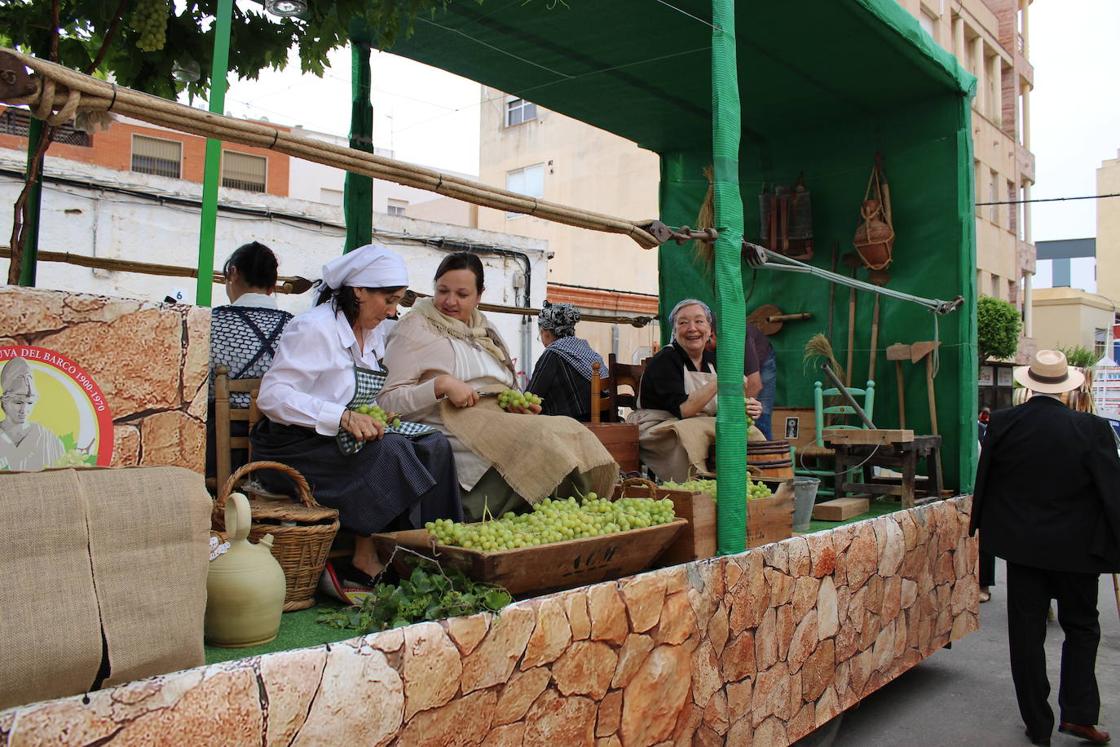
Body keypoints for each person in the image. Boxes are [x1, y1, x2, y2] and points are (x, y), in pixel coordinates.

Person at [251, 244, 464, 583]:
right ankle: (365, 556)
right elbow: (273, 396)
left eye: (397, 302)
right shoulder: (313, 328)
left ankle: (439, 555)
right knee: (391, 451)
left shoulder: (375, 333)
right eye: (389, 300)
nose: (393, 311)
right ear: (360, 291)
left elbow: (363, 396)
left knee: (434, 443)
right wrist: (343, 417)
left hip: (343, 440)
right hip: (296, 448)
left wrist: (377, 415)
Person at [379, 252, 618, 521]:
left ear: (479, 295)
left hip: (499, 416)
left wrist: (517, 402)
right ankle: (544, 514)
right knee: (542, 439)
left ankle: (578, 515)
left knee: (570, 429)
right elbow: (386, 401)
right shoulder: (414, 327)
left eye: (462, 294)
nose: (450, 301)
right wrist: (440, 385)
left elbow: (507, 383)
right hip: (452, 420)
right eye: (443, 290)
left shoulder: (485, 329)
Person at [970, 349, 1120, 747]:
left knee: (1026, 634)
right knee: (1083, 628)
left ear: (1029, 384)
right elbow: (1112, 493)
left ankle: (1037, 724)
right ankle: (1080, 715)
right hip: (1079, 551)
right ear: (1066, 388)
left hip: (1024, 549)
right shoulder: (1093, 429)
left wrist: (986, 531)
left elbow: (986, 483)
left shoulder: (1002, 424)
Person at [630, 298, 762, 482]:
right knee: (693, 434)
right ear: (674, 331)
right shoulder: (665, 361)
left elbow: (723, 406)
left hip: (699, 423)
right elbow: (685, 410)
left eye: (699, 321)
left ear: (709, 330)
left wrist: (747, 407)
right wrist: (721, 380)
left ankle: (748, 481)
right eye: (683, 323)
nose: (692, 328)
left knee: (748, 432)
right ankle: (697, 488)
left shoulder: (712, 360)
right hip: (659, 429)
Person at [207, 242, 294, 479]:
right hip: (281, 447)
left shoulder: (211, 323)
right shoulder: (296, 326)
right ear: (272, 283)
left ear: (233, 273)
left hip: (215, 448)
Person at [525, 301, 607, 421]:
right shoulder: (587, 350)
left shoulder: (553, 354)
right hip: (605, 418)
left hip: (576, 425)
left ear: (546, 333)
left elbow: (531, 396)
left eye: (540, 335)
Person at [0, 357, 65, 471]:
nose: (24, 409)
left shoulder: (49, 440)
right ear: (4, 402)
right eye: (18, 402)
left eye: (30, 403)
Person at [750, 323, 777, 440]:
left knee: (760, 416)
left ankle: (766, 454)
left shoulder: (745, 339)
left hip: (763, 359)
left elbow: (755, 385)